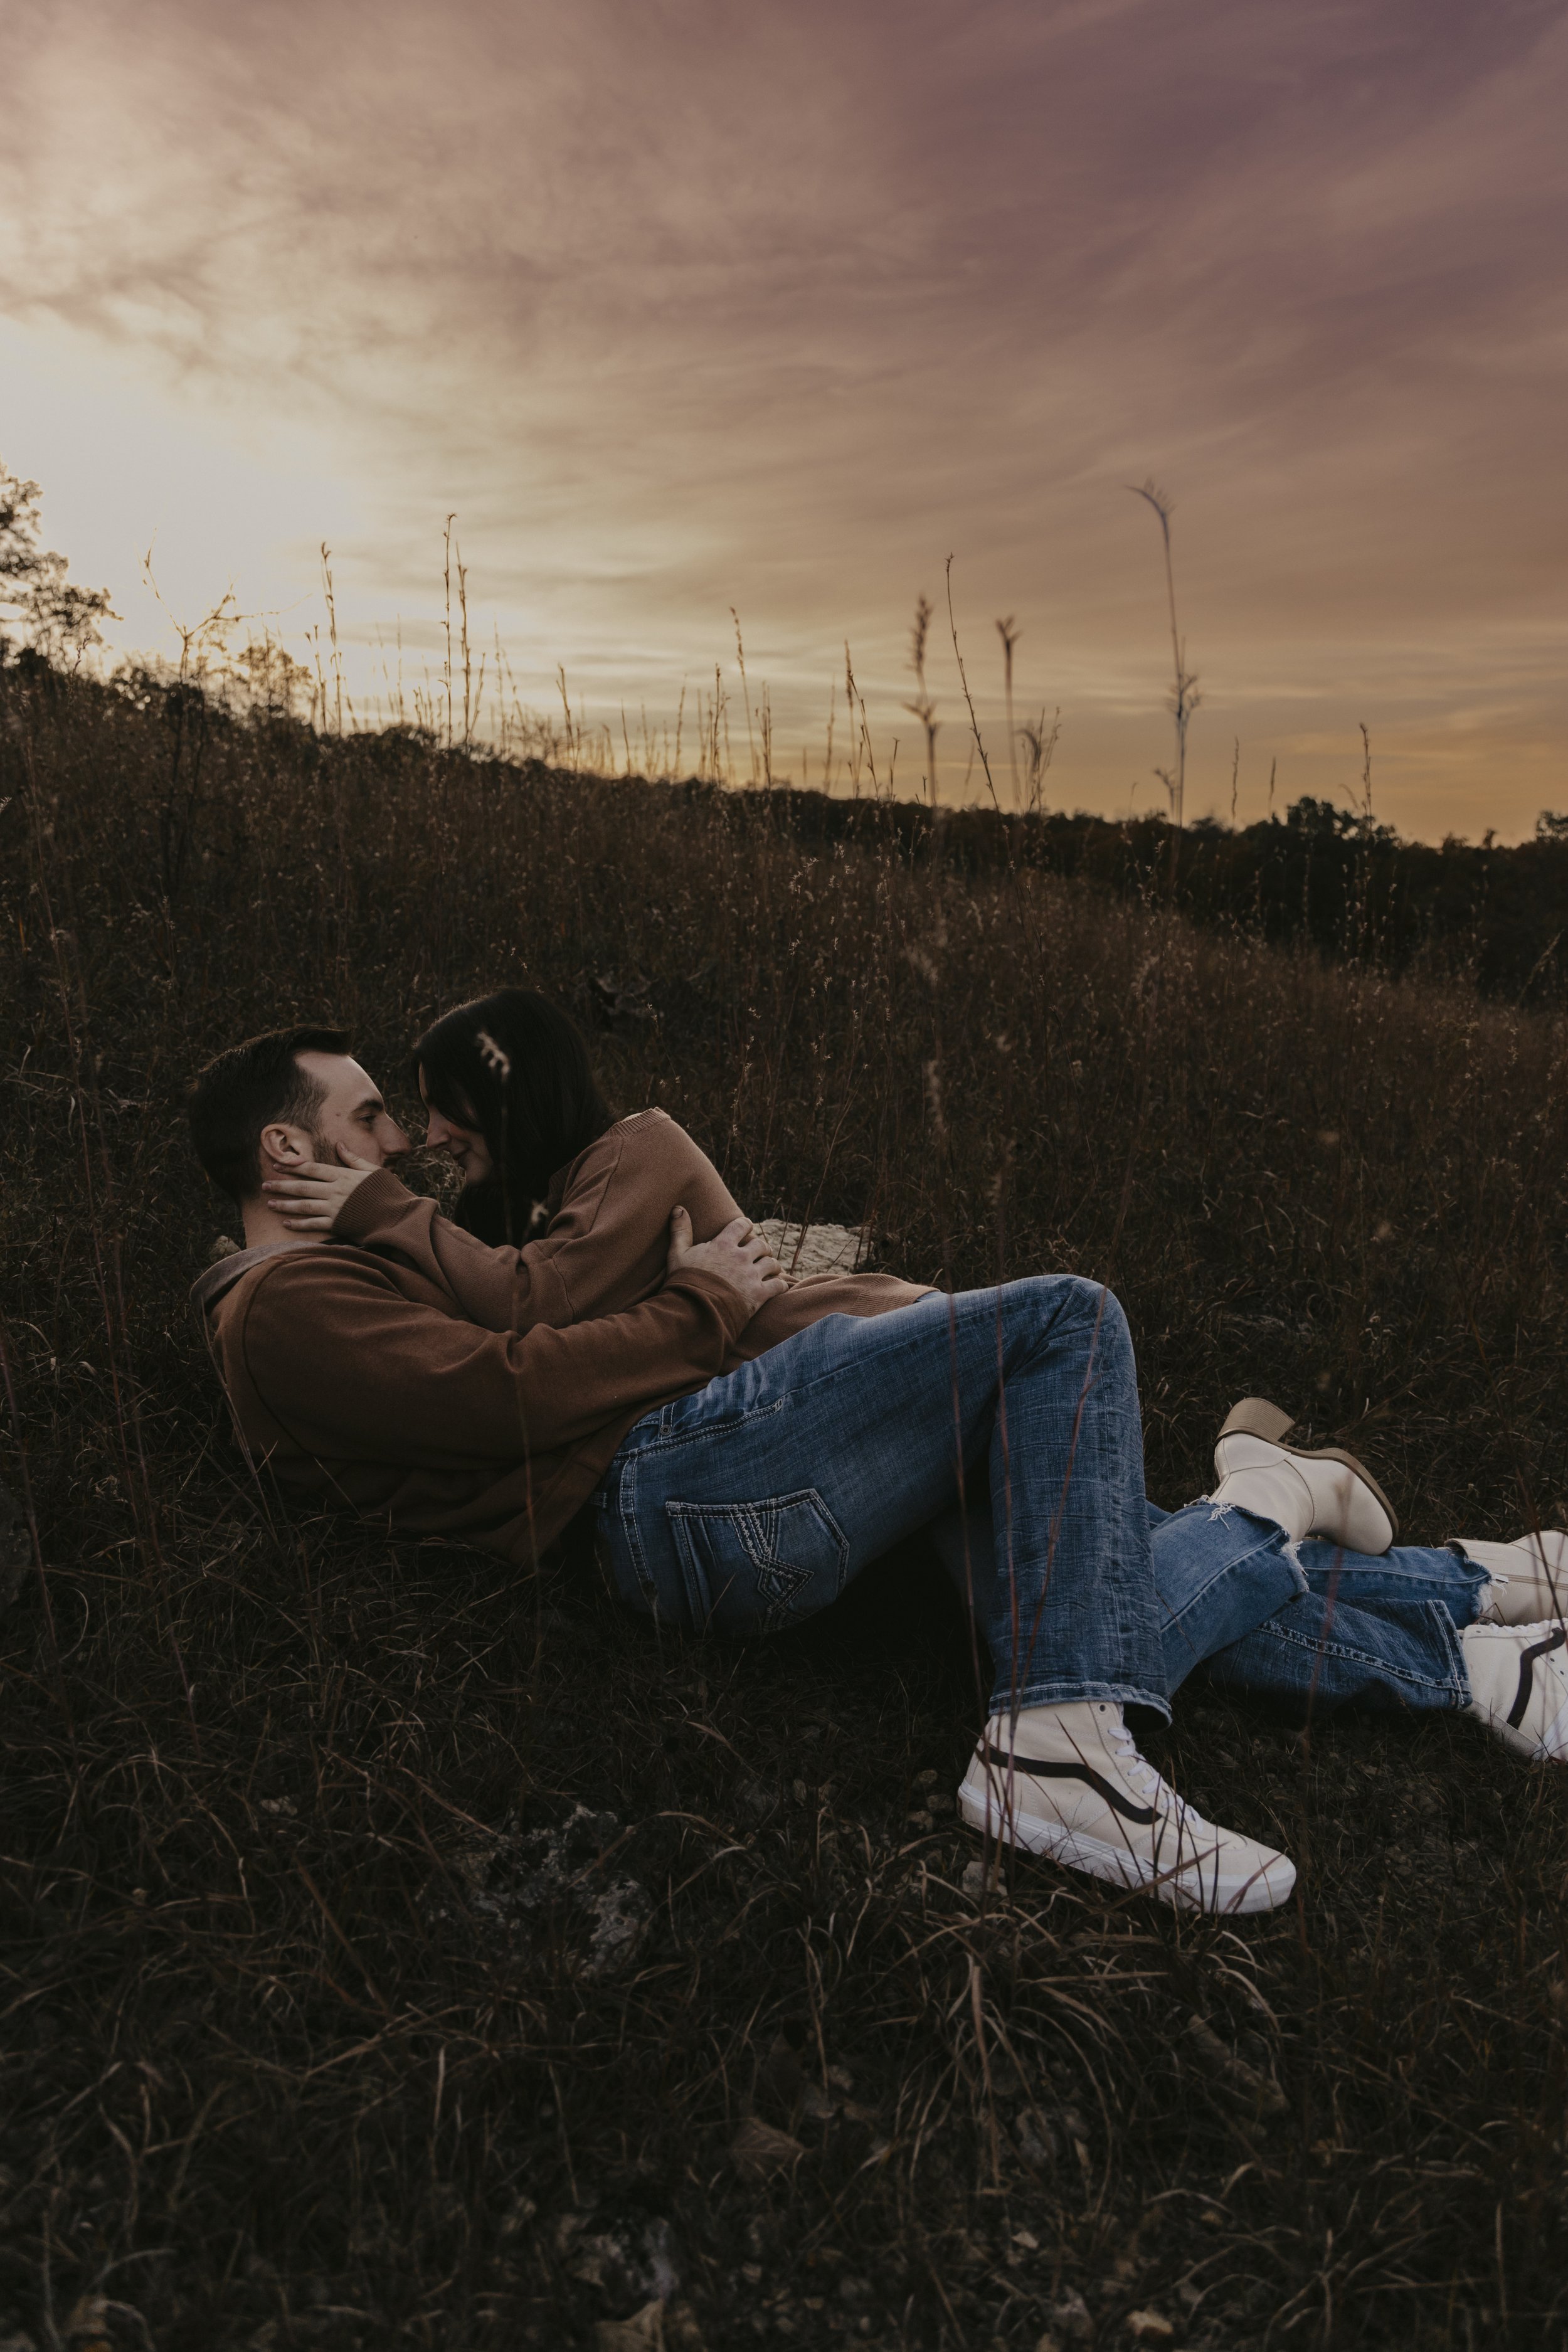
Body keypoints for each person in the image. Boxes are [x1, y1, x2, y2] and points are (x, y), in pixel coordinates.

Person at [187, 1007, 1568, 1916]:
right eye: (369, 1120)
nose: (399, 1150)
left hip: (686, 1490)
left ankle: (1467, 1633)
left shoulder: (352, 1275)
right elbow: (510, 1393)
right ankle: (1119, 1675)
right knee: (1064, 1325)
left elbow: (508, 1340)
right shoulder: (294, 1307)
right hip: (672, 1485)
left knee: (1061, 1576)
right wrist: (703, 1307)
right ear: (284, 1146)